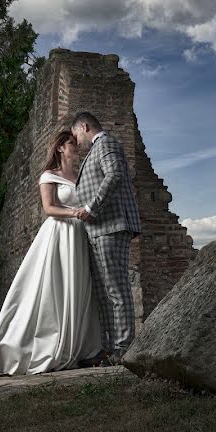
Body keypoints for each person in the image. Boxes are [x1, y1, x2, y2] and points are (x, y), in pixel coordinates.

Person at [0, 131, 102, 375]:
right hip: (59, 234)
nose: (76, 147)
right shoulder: (49, 175)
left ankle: (77, 346)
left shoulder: (79, 176)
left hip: (78, 236)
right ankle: (26, 345)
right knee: (52, 287)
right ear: (59, 148)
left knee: (77, 287)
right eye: (71, 144)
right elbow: (49, 208)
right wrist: (75, 212)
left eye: (76, 144)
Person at [71, 112, 142, 365]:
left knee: (116, 289)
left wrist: (91, 208)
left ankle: (123, 349)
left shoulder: (107, 143)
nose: (77, 142)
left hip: (111, 226)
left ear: (85, 126)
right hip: (97, 231)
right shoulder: (95, 150)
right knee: (103, 293)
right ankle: (109, 348)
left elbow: (115, 175)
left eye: (76, 135)